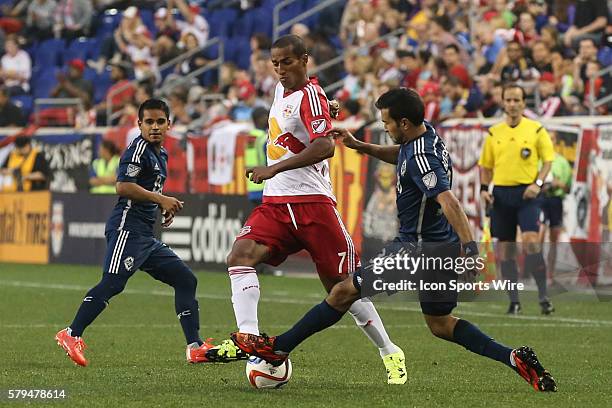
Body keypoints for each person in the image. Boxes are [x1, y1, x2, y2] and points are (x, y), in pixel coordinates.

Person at [229, 88, 558, 393]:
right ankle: (513, 357)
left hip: (414, 248)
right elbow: (403, 153)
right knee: (441, 324)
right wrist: (363, 147)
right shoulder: (424, 135)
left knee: (342, 291)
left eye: (386, 121)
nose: (384, 126)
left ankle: (277, 349)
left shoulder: (421, 157)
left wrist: (471, 248)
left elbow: (449, 201)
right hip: (440, 246)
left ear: (403, 121)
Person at [209, 35, 407, 385]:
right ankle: (250, 340)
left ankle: (389, 350)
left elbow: (325, 147)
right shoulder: (281, 91)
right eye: (275, 63)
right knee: (239, 257)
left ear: (305, 60)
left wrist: (273, 168)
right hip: (276, 204)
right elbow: (306, 120)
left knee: (342, 288)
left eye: (287, 62)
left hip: (313, 204)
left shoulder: (311, 95)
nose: (280, 69)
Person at [55, 99, 214, 366]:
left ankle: (195, 346)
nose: (154, 127)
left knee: (186, 280)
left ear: (169, 125)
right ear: (138, 124)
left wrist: (161, 205)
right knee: (113, 283)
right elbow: (123, 186)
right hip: (126, 229)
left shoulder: (159, 153)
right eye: (149, 122)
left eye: (160, 122)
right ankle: (71, 333)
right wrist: (161, 199)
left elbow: (145, 189)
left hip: (144, 236)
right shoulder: (137, 150)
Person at [478, 84, 555, 315]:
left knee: (531, 240)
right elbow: (486, 165)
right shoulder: (494, 133)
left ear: (523, 103)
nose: (512, 104)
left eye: (516, 100)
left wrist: (537, 184)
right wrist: (484, 189)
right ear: (503, 102)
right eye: (508, 100)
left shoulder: (536, 130)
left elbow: (548, 161)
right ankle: (514, 302)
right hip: (501, 195)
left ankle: (543, 297)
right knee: (506, 250)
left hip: (527, 194)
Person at [539, 132, 572, 281]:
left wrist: (559, 184)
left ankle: (549, 274)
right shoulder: (538, 161)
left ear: (556, 141)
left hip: (555, 201)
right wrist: (541, 186)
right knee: (537, 234)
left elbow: (568, 188)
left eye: (551, 139)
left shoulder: (562, 162)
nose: (549, 141)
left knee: (553, 237)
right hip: (540, 200)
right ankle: (536, 269)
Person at [244, 107, 268, 207]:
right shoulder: (264, 138)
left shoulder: (250, 136)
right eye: (266, 116)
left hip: (252, 187)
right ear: (260, 119)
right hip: (264, 186)